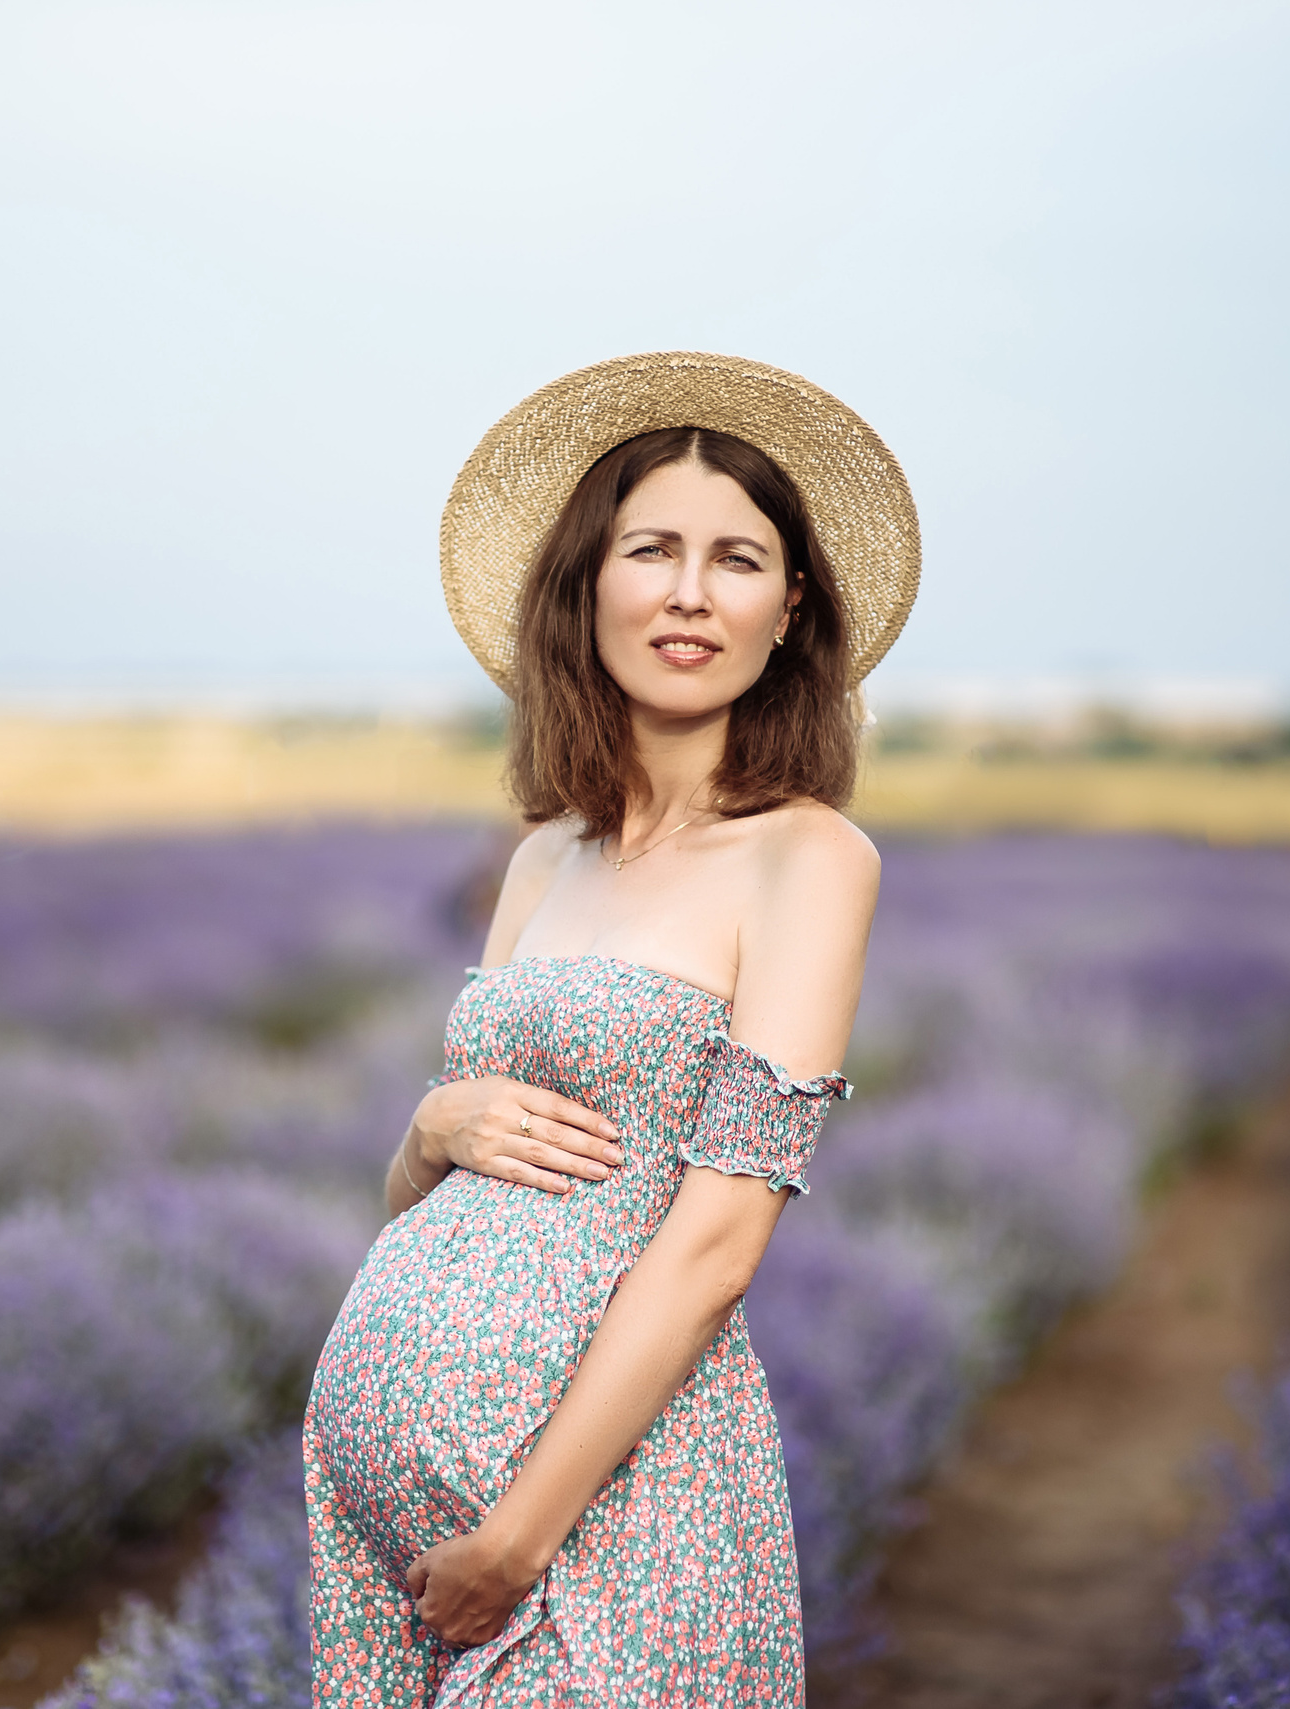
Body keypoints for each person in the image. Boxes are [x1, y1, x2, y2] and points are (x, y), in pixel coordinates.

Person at [303, 352, 923, 1707]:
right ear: (588, 586)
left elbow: (718, 1245)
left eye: (737, 559)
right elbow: (442, 1193)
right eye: (652, 550)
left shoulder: (810, 859)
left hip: (605, 1526)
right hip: (393, 1529)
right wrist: (430, 1127)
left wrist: (517, 1540)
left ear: (790, 608)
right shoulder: (544, 853)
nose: (690, 592)